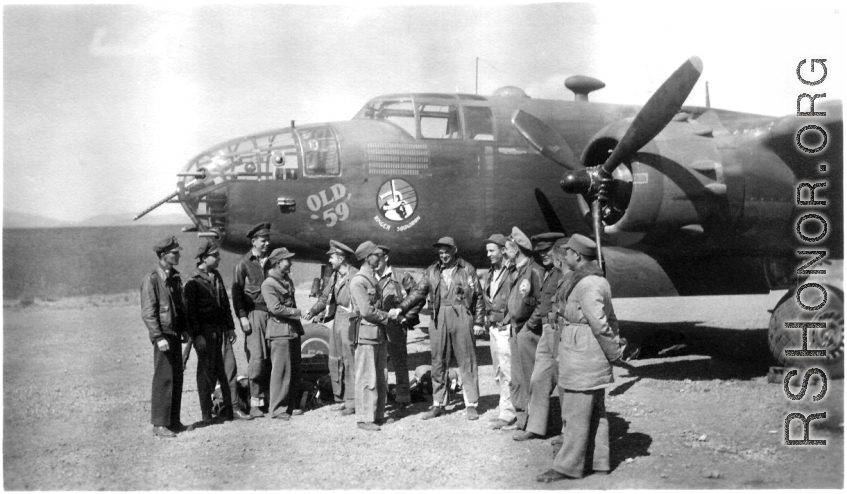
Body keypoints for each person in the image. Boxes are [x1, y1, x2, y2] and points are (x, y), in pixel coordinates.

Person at [537, 234, 625, 482]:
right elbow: (612, 319)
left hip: (582, 353)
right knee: (596, 411)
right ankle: (599, 462)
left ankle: (567, 466)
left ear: (577, 256)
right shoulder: (595, 280)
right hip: (589, 353)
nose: (564, 256)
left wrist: (614, 352)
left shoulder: (587, 284)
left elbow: (599, 323)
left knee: (575, 412)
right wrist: (612, 349)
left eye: (567, 253)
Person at [392, 237, 485, 421]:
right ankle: (438, 403)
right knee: (438, 360)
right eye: (440, 253)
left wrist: (479, 322)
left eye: (446, 252)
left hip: (461, 313)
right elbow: (418, 293)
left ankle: (471, 404)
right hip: (438, 314)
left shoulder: (467, 269)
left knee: (467, 359)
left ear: (455, 250)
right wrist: (401, 308)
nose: (443, 256)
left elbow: (479, 297)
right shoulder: (432, 271)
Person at [183, 240, 252, 424]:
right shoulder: (192, 282)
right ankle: (207, 413)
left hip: (221, 331)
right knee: (206, 373)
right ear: (205, 258)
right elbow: (190, 314)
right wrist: (197, 336)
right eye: (216, 255)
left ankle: (233, 408)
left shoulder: (216, 276)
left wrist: (230, 327)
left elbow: (224, 304)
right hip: (204, 334)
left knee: (229, 368)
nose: (219, 258)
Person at [513, 232, 566, 441]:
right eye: (540, 252)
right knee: (538, 379)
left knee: (564, 381)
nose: (543, 255)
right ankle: (535, 427)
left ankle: (566, 430)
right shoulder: (548, 271)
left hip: (560, 329)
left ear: (557, 250)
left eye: (547, 251)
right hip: (546, 330)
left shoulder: (563, 272)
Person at [140, 236, 189, 438]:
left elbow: (180, 307)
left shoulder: (174, 278)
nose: (178, 255)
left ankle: (173, 421)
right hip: (164, 335)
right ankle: (159, 424)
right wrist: (158, 336)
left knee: (177, 377)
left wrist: (184, 329)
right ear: (163, 255)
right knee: (163, 379)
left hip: (176, 333)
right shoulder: (151, 279)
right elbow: (148, 312)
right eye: (174, 253)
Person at [307, 240, 359, 415]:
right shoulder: (335, 276)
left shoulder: (355, 277)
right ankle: (342, 397)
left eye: (332, 257)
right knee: (335, 360)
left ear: (341, 257)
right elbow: (324, 298)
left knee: (350, 361)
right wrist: (312, 311)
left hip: (350, 320)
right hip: (338, 318)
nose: (329, 260)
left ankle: (352, 401)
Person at [504, 227, 545, 432]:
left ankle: (534, 424)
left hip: (526, 332)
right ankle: (522, 420)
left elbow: (542, 303)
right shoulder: (516, 270)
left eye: (507, 248)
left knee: (530, 379)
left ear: (518, 248)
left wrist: (529, 327)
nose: (504, 252)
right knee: (517, 379)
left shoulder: (535, 270)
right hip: (515, 330)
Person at [349, 241, 394, 431]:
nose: (380, 257)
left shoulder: (372, 278)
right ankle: (364, 418)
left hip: (378, 335)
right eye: (377, 254)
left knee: (381, 376)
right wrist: (387, 316)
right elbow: (366, 311)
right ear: (368, 258)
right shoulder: (359, 281)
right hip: (366, 335)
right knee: (367, 377)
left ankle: (377, 414)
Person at [231, 222, 273, 418]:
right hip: (254, 315)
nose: (266, 244)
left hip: (273, 315)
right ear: (254, 241)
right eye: (263, 241)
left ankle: (272, 401)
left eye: (268, 240)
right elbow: (237, 292)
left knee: (273, 360)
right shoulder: (244, 264)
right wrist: (242, 317)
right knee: (256, 361)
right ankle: (255, 404)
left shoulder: (272, 262)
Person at [374, 244, 422, 411]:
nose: (375, 261)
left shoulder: (401, 276)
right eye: (372, 257)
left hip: (395, 326)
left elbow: (418, 296)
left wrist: (406, 317)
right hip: (376, 325)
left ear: (386, 257)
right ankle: (382, 399)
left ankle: (403, 399)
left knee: (399, 363)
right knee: (378, 364)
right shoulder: (369, 277)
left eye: (378, 257)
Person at [261, 247, 305, 420]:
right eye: (287, 260)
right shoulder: (269, 284)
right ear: (278, 263)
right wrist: (298, 312)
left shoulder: (286, 280)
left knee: (293, 371)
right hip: (280, 333)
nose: (291, 263)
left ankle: (289, 406)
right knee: (280, 372)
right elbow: (275, 308)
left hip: (292, 331)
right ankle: (278, 409)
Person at [480, 233, 518, 430]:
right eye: (487, 251)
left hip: (506, 328)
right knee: (498, 371)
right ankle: (506, 409)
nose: (489, 255)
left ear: (503, 251)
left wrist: (509, 320)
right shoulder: (490, 273)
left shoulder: (513, 272)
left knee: (509, 371)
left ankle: (511, 413)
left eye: (492, 251)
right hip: (493, 328)